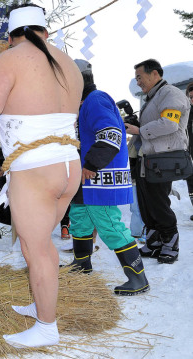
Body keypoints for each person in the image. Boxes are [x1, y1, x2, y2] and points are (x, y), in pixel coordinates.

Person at [0, 4, 83, 348]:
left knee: (37, 249)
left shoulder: (11, 58)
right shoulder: (69, 63)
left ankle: (46, 327)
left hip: (35, 168)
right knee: (35, 243)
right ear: (45, 32)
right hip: (69, 166)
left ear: (12, 36)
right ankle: (42, 302)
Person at [65, 59, 149, 296]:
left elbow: (111, 134)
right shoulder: (83, 104)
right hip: (86, 175)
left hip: (100, 174)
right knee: (79, 217)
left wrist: (92, 163)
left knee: (109, 224)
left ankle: (138, 278)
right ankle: (82, 264)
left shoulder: (96, 100)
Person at [125, 59, 190, 264]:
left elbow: (170, 124)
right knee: (146, 203)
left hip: (164, 159)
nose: (138, 82)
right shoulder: (152, 97)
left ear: (154, 74)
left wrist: (139, 130)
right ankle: (155, 240)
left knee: (159, 203)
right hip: (149, 158)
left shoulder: (170, 93)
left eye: (139, 77)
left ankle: (171, 240)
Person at [185, 82, 193, 220]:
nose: (192, 100)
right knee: (191, 184)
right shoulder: (187, 113)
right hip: (189, 154)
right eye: (190, 97)